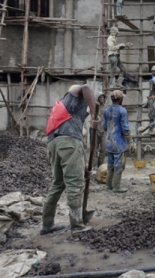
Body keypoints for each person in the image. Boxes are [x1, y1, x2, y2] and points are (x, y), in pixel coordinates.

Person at [42, 84, 97, 236]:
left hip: (54, 143)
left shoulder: (62, 108)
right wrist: (94, 115)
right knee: (75, 183)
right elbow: (86, 87)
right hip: (69, 142)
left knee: (57, 183)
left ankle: (47, 225)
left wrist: (83, 164)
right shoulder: (74, 97)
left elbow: (71, 145)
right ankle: (77, 226)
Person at [102, 90, 131, 193]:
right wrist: (130, 141)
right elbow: (125, 128)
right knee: (119, 165)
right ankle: (116, 186)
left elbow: (104, 126)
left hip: (109, 142)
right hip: (119, 143)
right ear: (120, 99)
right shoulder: (122, 111)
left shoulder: (106, 110)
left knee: (110, 164)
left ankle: (108, 185)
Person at [94, 93, 107, 168]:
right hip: (95, 130)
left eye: (103, 97)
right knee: (94, 149)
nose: (102, 98)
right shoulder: (94, 107)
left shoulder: (106, 108)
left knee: (103, 149)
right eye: (100, 97)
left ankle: (100, 165)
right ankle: (94, 165)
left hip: (103, 131)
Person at [146, 65, 155, 130]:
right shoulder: (152, 80)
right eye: (152, 71)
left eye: (154, 71)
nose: (152, 72)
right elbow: (151, 90)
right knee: (150, 115)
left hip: (154, 99)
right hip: (150, 99)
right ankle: (151, 129)